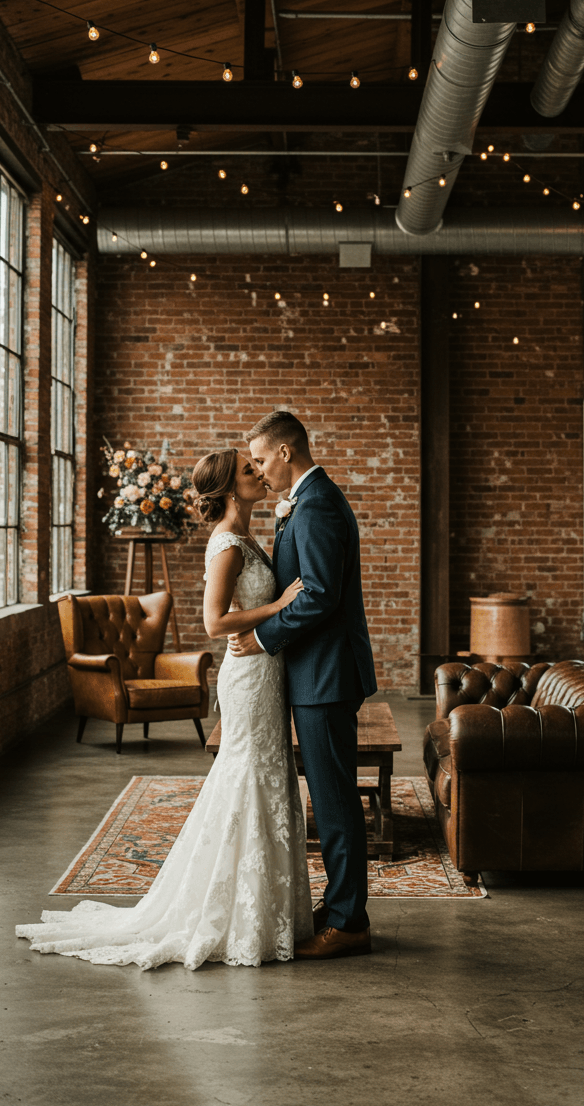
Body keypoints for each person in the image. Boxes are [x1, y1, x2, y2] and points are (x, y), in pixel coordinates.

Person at [15, 447, 313, 970]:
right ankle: (231, 915)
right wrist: (280, 605)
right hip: (248, 676)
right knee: (247, 774)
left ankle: (265, 911)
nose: (260, 474)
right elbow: (214, 623)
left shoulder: (247, 536)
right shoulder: (226, 544)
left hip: (266, 672)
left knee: (266, 774)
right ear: (228, 488)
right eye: (249, 470)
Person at [230, 410, 377, 961]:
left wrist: (262, 637)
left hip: (325, 676)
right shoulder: (308, 501)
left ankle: (349, 922)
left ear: (286, 452)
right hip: (318, 674)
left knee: (334, 803)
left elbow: (318, 595)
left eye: (261, 458)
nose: (259, 469)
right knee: (330, 797)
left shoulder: (315, 507)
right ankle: (341, 905)